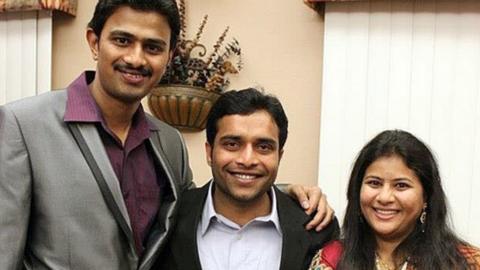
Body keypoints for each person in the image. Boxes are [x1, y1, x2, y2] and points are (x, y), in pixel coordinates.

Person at [0, 1, 332, 269]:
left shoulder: (168, 142)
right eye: (122, 40)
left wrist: (282, 193)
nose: (136, 58)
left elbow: (195, 208)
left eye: (153, 47)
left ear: (169, 57)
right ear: (94, 41)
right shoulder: (23, 125)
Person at [156, 88, 339, 270]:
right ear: (209, 152)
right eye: (232, 144)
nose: (247, 160)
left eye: (264, 147)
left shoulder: (315, 226)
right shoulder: (169, 217)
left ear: (279, 156)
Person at [308, 130, 480, 270]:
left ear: (426, 196)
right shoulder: (331, 260)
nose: (384, 197)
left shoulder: (466, 263)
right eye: (374, 183)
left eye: (401, 186)